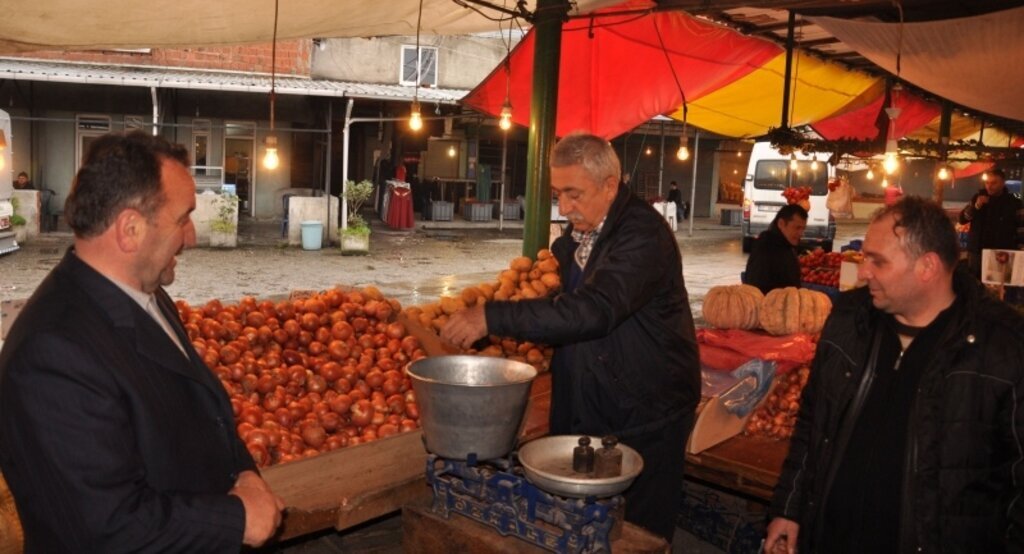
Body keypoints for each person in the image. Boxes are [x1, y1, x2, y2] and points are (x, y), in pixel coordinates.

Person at [0, 131, 284, 552]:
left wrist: (243, 473)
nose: (190, 237)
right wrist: (237, 518)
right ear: (130, 229)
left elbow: (202, 412)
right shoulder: (52, 354)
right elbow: (107, 526)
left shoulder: (146, 294)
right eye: (182, 218)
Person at [441, 132, 700, 541]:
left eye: (574, 194)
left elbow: (594, 310)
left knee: (636, 533)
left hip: (645, 410)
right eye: (558, 193)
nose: (563, 207)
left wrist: (493, 316)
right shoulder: (581, 233)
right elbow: (566, 295)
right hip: (590, 397)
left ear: (611, 186)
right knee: (582, 524)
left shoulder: (643, 237)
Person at [765, 196, 1024, 554]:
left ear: (927, 267)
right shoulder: (848, 321)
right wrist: (789, 508)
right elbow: (812, 426)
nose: (863, 270)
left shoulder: (1003, 347)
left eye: (878, 261)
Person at [958, 168, 1023, 277]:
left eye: (993, 183)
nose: (989, 186)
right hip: (977, 251)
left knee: (998, 287)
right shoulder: (977, 198)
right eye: (987, 183)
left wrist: (1020, 249)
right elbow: (963, 219)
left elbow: (1021, 227)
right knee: (974, 286)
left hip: (1002, 252)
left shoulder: (1014, 202)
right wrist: (976, 206)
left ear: (1002, 183)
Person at [743, 204, 807, 294]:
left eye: (803, 229)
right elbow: (756, 285)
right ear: (781, 223)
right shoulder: (765, 247)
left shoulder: (786, 244)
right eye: (797, 228)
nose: (801, 233)